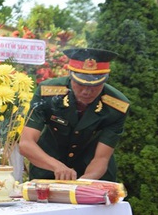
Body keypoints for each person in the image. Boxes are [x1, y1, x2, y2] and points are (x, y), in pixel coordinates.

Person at [19, 47, 130, 182]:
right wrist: (57, 166)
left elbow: (101, 158)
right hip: (47, 170)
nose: (86, 92)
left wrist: (82, 184)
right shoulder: (47, 93)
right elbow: (26, 143)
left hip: (93, 177)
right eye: (80, 84)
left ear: (104, 81)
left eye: (95, 86)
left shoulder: (116, 106)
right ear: (71, 76)